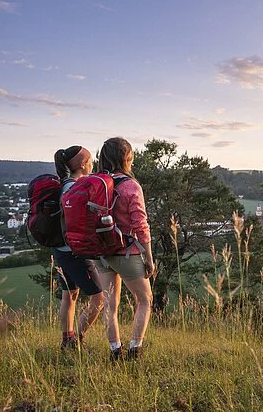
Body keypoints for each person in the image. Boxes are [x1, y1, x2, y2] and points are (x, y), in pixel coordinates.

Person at [95, 137, 155, 361]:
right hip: (126, 252)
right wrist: (148, 256)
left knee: (110, 305)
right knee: (145, 300)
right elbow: (140, 223)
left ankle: (114, 351)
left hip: (101, 253)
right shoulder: (130, 185)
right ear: (126, 158)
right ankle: (135, 350)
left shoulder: (97, 182)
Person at [53, 145, 104, 350]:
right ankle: (77, 341)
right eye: (91, 160)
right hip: (74, 251)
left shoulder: (63, 184)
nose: (92, 164)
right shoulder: (74, 187)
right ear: (83, 164)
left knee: (70, 294)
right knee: (99, 297)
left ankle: (67, 340)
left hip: (60, 249)